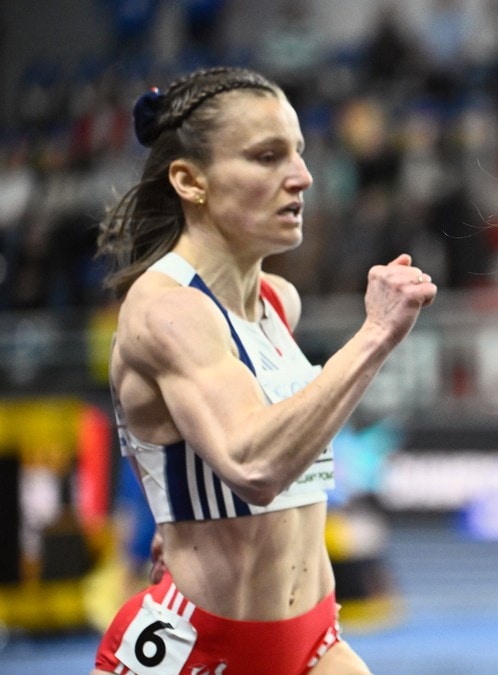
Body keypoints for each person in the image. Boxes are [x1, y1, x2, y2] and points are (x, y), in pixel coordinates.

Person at [90, 66, 436, 675]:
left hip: (313, 641)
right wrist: (375, 336)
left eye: (298, 154)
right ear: (189, 181)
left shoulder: (279, 302)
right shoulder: (166, 310)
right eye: (267, 157)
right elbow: (253, 466)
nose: (301, 178)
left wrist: (179, 514)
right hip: (202, 652)